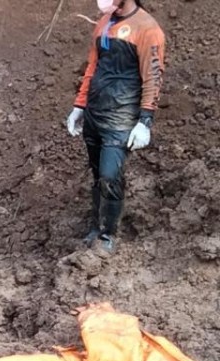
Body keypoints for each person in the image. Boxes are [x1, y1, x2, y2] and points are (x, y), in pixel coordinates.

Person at [66, 0, 165, 253]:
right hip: (95, 113)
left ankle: (107, 235)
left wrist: (145, 121)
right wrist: (80, 105)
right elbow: (93, 67)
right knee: (98, 174)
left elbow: (153, 76)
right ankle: (95, 226)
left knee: (111, 175)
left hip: (121, 117)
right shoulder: (103, 24)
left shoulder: (147, 28)